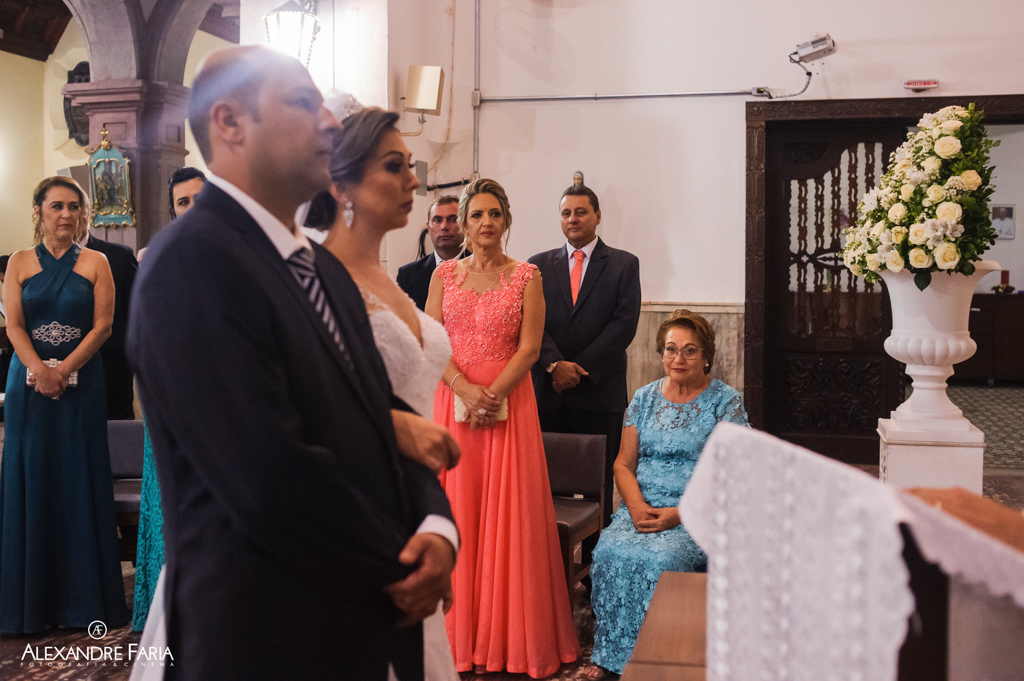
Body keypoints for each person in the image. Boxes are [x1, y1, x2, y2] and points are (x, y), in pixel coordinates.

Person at [127, 46, 458, 680]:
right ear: (230, 122)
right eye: (304, 103)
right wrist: (401, 559)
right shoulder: (193, 263)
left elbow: (382, 422)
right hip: (263, 635)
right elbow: (266, 475)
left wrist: (438, 530)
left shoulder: (322, 273)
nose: (330, 121)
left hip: (352, 626)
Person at [319, 106, 458, 681]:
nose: (413, 181)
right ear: (342, 184)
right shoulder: (317, 279)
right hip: (348, 510)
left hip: (413, 504)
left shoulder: (398, 280)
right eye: (393, 166)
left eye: (411, 166)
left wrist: (436, 525)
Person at [427, 178, 580, 677]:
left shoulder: (527, 276)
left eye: (494, 214)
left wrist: (491, 395)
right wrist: (464, 389)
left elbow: (531, 348)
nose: (486, 222)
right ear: (464, 223)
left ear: (507, 220)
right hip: (454, 403)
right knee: (458, 510)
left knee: (507, 518)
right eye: (477, 215)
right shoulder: (444, 276)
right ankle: (455, 637)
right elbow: (432, 342)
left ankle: (507, 639)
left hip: (509, 404)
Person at [588, 310, 749, 675]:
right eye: (671, 349)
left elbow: (734, 474)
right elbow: (623, 464)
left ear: (706, 356)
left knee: (664, 558)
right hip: (641, 508)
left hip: (694, 512)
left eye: (690, 350)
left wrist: (680, 514)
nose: (679, 358)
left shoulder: (726, 402)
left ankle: (666, 658)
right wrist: (636, 506)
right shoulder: (643, 398)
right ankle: (611, 657)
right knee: (608, 550)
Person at [0, 176, 127, 633]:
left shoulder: (97, 262)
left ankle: (83, 602)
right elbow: (14, 326)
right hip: (28, 386)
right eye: (57, 206)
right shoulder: (17, 262)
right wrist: (40, 370)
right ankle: (27, 606)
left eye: (75, 207)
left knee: (78, 477)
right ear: (38, 211)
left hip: (82, 383)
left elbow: (103, 326)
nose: (67, 215)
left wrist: (65, 368)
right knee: (30, 475)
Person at [528, 183, 641, 528]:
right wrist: (554, 364)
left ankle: (596, 560)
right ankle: (549, 555)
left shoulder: (623, 264)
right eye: (566, 213)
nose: (573, 219)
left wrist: (578, 369)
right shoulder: (536, 266)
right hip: (549, 394)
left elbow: (623, 325)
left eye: (580, 212)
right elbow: (530, 322)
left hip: (599, 393)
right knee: (544, 489)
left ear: (597, 216)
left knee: (600, 491)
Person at [130, 167, 207, 633]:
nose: (191, 208)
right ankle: (165, 609)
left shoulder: (237, 253)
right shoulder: (154, 256)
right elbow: (146, 332)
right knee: (168, 500)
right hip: (172, 394)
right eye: (182, 202)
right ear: (172, 209)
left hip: (221, 394)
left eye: (200, 198)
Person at [85, 216, 140, 422]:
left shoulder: (119, 256)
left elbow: (136, 312)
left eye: (75, 207)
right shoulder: (37, 260)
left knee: (117, 434)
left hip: (111, 369)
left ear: (87, 214)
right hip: (60, 370)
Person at [397, 195, 464, 310]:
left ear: (464, 224)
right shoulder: (408, 275)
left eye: (453, 219)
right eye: (437, 220)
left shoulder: (482, 270)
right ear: (428, 227)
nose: (444, 226)